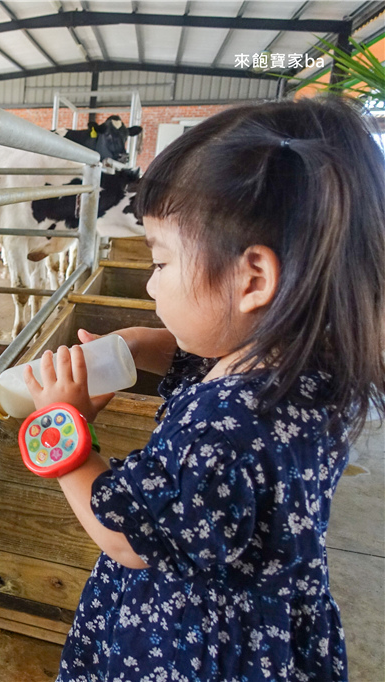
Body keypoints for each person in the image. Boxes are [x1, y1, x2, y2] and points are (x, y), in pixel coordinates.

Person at [22, 95, 385, 681]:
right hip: (267, 635)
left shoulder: (224, 425)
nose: (150, 283)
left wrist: (63, 436)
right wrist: (148, 342)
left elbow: (126, 539)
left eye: (161, 263)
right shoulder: (307, 367)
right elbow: (219, 357)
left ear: (253, 278)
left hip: (189, 645)